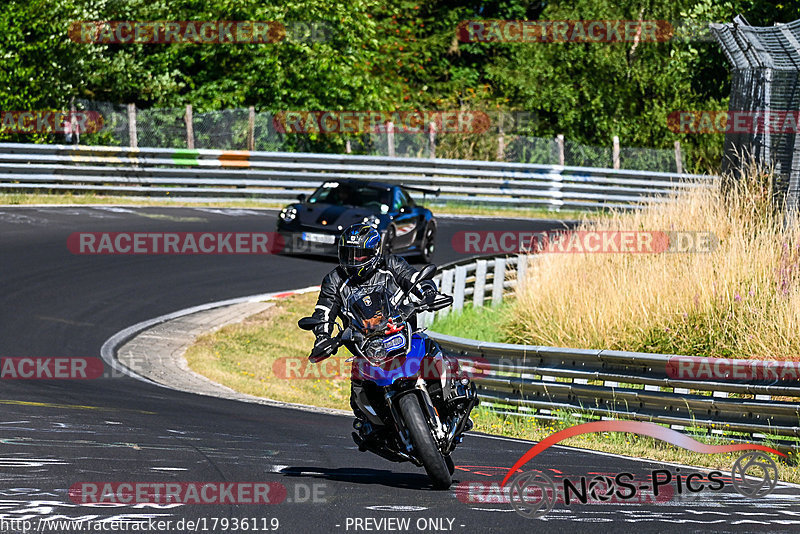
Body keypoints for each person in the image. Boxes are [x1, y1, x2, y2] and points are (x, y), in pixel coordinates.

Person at [308, 223, 439, 434]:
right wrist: (323, 336)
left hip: (400, 331)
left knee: (432, 349)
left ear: (375, 252)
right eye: (349, 254)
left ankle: (454, 394)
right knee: (358, 396)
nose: (353, 260)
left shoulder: (391, 264)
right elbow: (324, 311)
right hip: (365, 347)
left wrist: (428, 293)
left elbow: (412, 278)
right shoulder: (334, 280)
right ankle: (377, 429)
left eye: (360, 255)